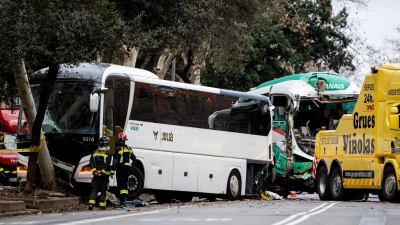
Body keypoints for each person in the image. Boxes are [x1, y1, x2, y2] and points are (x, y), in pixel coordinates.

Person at [88, 136, 114, 210]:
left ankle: (91, 204)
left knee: (94, 189)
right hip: (104, 176)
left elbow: (91, 162)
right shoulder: (109, 153)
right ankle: (102, 205)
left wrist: (94, 171)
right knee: (104, 190)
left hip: (96, 175)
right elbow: (107, 164)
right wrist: (102, 173)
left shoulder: (95, 152)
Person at [112, 132, 136, 208]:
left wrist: (112, 172)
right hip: (127, 169)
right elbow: (134, 159)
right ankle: (124, 201)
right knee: (125, 185)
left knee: (121, 185)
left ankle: (122, 203)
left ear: (119, 140)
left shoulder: (118, 149)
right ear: (125, 140)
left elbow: (115, 162)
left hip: (120, 169)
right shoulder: (129, 149)